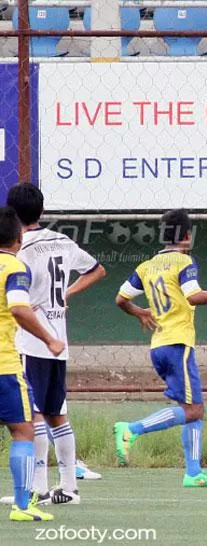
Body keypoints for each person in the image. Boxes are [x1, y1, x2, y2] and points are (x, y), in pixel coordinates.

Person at [113, 209, 207, 488]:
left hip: (158, 346)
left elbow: (120, 298)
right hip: (178, 344)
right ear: (188, 235)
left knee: (191, 408)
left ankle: (193, 472)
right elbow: (194, 296)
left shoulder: (146, 266)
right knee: (194, 410)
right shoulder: (184, 261)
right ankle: (131, 430)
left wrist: (140, 313)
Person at [7, 185, 106, 506]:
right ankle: (69, 488)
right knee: (57, 415)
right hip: (58, 339)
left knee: (31, 417)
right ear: (42, 211)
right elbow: (97, 270)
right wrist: (65, 295)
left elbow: (17, 300)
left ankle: (36, 489)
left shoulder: (18, 250)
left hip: (29, 340)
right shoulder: (63, 241)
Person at [0, 206, 64, 522]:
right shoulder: (14, 266)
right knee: (24, 429)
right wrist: (50, 338)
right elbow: (19, 309)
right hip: (4, 367)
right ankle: (23, 506)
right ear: (19, 236)